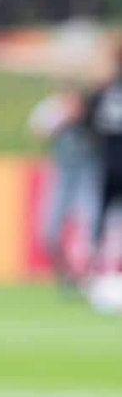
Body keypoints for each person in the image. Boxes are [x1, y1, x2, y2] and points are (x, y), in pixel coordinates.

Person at [28, 80, 96, 286]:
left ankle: (88, 269)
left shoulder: (90, 113)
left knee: (89, 221)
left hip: (87, 172)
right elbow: (38, 133)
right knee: (50, 225)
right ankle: (62, 270)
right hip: (63, 172)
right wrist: (63, 122)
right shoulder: (53, 111)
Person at [86, 41, 122, 271]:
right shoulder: (103, 92)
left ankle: (96, 267)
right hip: (107, 164)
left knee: (101, 216)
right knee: (100, 216)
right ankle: (97, 267)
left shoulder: (103, 93)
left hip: (107, 164)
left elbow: (89, 125)